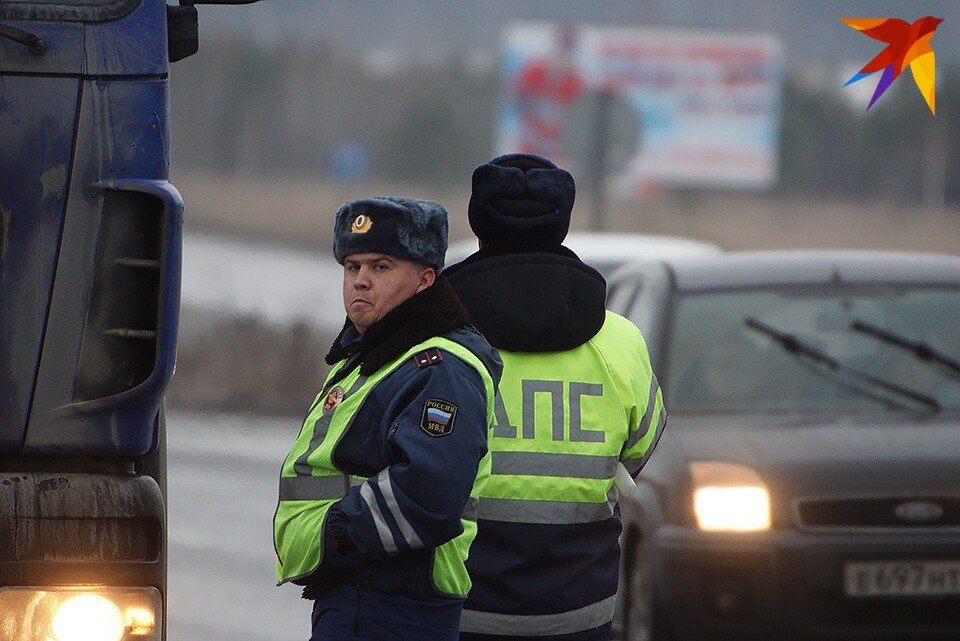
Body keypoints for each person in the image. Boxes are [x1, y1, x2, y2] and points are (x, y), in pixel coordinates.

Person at [443, 154, 666, 641]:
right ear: (562, 226)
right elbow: (640, 452)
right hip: (579, 613)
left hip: (459, 609)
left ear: (479, 227)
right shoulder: (620, 342)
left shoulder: (438, 339)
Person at [273, 196, 502, 641]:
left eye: (381, 268)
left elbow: (428, 493)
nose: (360, 281)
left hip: (393, 603)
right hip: (354, 593)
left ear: (425, 279)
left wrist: (335, 535)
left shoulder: (439, 369)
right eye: (352, 267)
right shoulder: (374, 357)